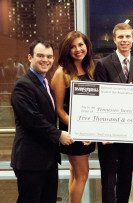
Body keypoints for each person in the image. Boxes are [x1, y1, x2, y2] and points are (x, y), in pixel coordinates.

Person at [10, 39, 74, 203]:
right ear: (30, 57)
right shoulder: (22, 85)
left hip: (48, 158)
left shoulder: (45, 82)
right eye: (40, 56)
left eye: (49, 56)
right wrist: (59, 134)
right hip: (30, 160)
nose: (45, 60)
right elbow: (32, 119)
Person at [94, 23, 133, 203]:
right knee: (108, 177)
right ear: (114, 39)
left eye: (127, 36)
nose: (124, 40)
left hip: (129, 133)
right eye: (120, 37)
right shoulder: (103, 64)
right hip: (108, 133)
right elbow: (99, 99)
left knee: (126, 176)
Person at [51, 31, 96, 203]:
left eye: (81, 45)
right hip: (73, 132)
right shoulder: (61, 72)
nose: (78, 49)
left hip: (88, 132)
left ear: (87, 46)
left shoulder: (90, 68)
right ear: (66, 50)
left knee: (75, 173)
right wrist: (80, 130)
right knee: (82, 175)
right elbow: (59, 110)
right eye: (72, 46)